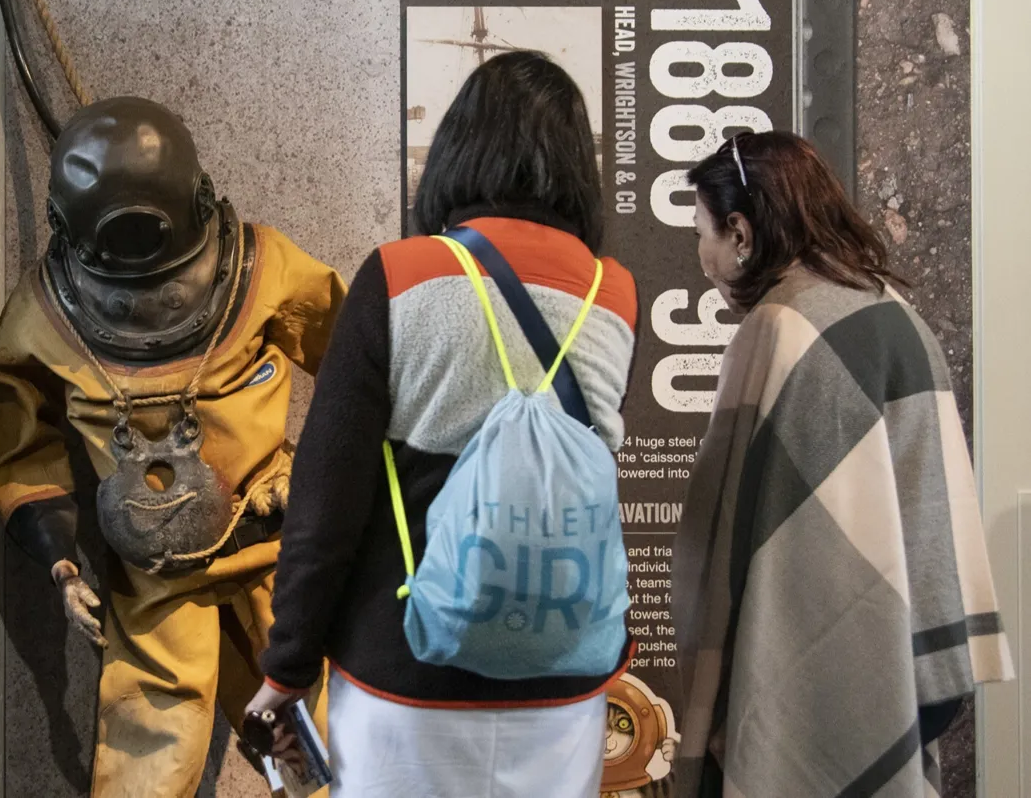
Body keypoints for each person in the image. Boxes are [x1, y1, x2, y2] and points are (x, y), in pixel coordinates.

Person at [245, 51, 639, 797]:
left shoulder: (400, 275)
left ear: (458, 148)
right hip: (562, 687)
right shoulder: (613, 295)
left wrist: (287, 666)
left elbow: (325, 504)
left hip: (404, 680)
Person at [0, 97, 346, 797]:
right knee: (157, 748)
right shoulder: (43, 317)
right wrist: (59, 559)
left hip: (273, 542)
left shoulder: (262, 270)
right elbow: (18, 445)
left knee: (306, 727)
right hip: (157, 575)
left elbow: (359, 368)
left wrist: (335, 488)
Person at [671, 131, 1013, 797]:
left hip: (815, 684)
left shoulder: (778, 328)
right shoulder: (892, 308)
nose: (701, 257)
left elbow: (729, 549)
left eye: (702, 234)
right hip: (907, 657)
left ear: (740, 232)